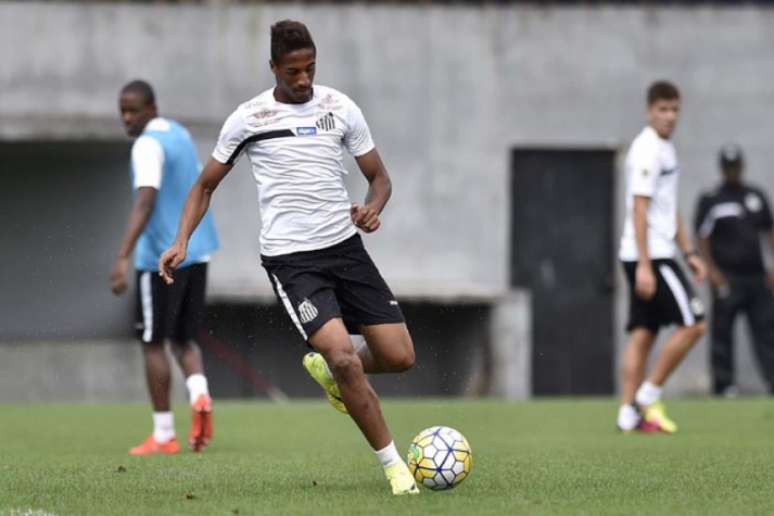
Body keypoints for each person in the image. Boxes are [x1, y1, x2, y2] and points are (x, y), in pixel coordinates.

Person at [158, 21, 419, 495]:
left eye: (311, 69)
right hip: (292, 261)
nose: (303, 80)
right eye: (294, 71)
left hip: (346, 249)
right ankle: (395, 468)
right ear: (274, 67)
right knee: (343, 356)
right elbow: (204, 185)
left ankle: (332, 372)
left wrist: (372, 209)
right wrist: (181, 242)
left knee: (399, 356)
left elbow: (380, 178)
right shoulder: (249, 118)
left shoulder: (340, 108)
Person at [111, 80, 219, 455]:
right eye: (122, 111)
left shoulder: (146, 145)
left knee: (154, 342)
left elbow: (145, 200)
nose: (127, 118)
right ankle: (200, 395)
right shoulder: (179, 133)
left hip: (160, 258)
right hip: (197, 249)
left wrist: (123, 256)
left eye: (133, 110)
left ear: (151, 107)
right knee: (184, 339)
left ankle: (163, 433)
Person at [616, 80, 707, 434]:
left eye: (674, 110)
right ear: (648, 111)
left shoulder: (666, 149)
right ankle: (646, 396)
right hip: (650, 256)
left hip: (656, 253)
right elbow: (639, 208)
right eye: (663, 109)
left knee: (644, 332)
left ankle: (626, 414)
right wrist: (644, 265)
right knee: (694, 323)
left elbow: (669, 209)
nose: (670, 117)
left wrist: (689, 252)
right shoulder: (647, 150)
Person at [694, 145, 774, 396]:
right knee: (722, 331)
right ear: (722, 169)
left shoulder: (756, 196)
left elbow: (769, 232)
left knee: (766, 328)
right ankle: (724, 384)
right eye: (728, 168)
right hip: (727, 277)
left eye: (735, 167)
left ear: (742, 166)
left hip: (757, 276)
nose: (732, 172)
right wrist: (712, 272)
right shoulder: (712, 199)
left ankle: (772, 380)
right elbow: (702, 237)